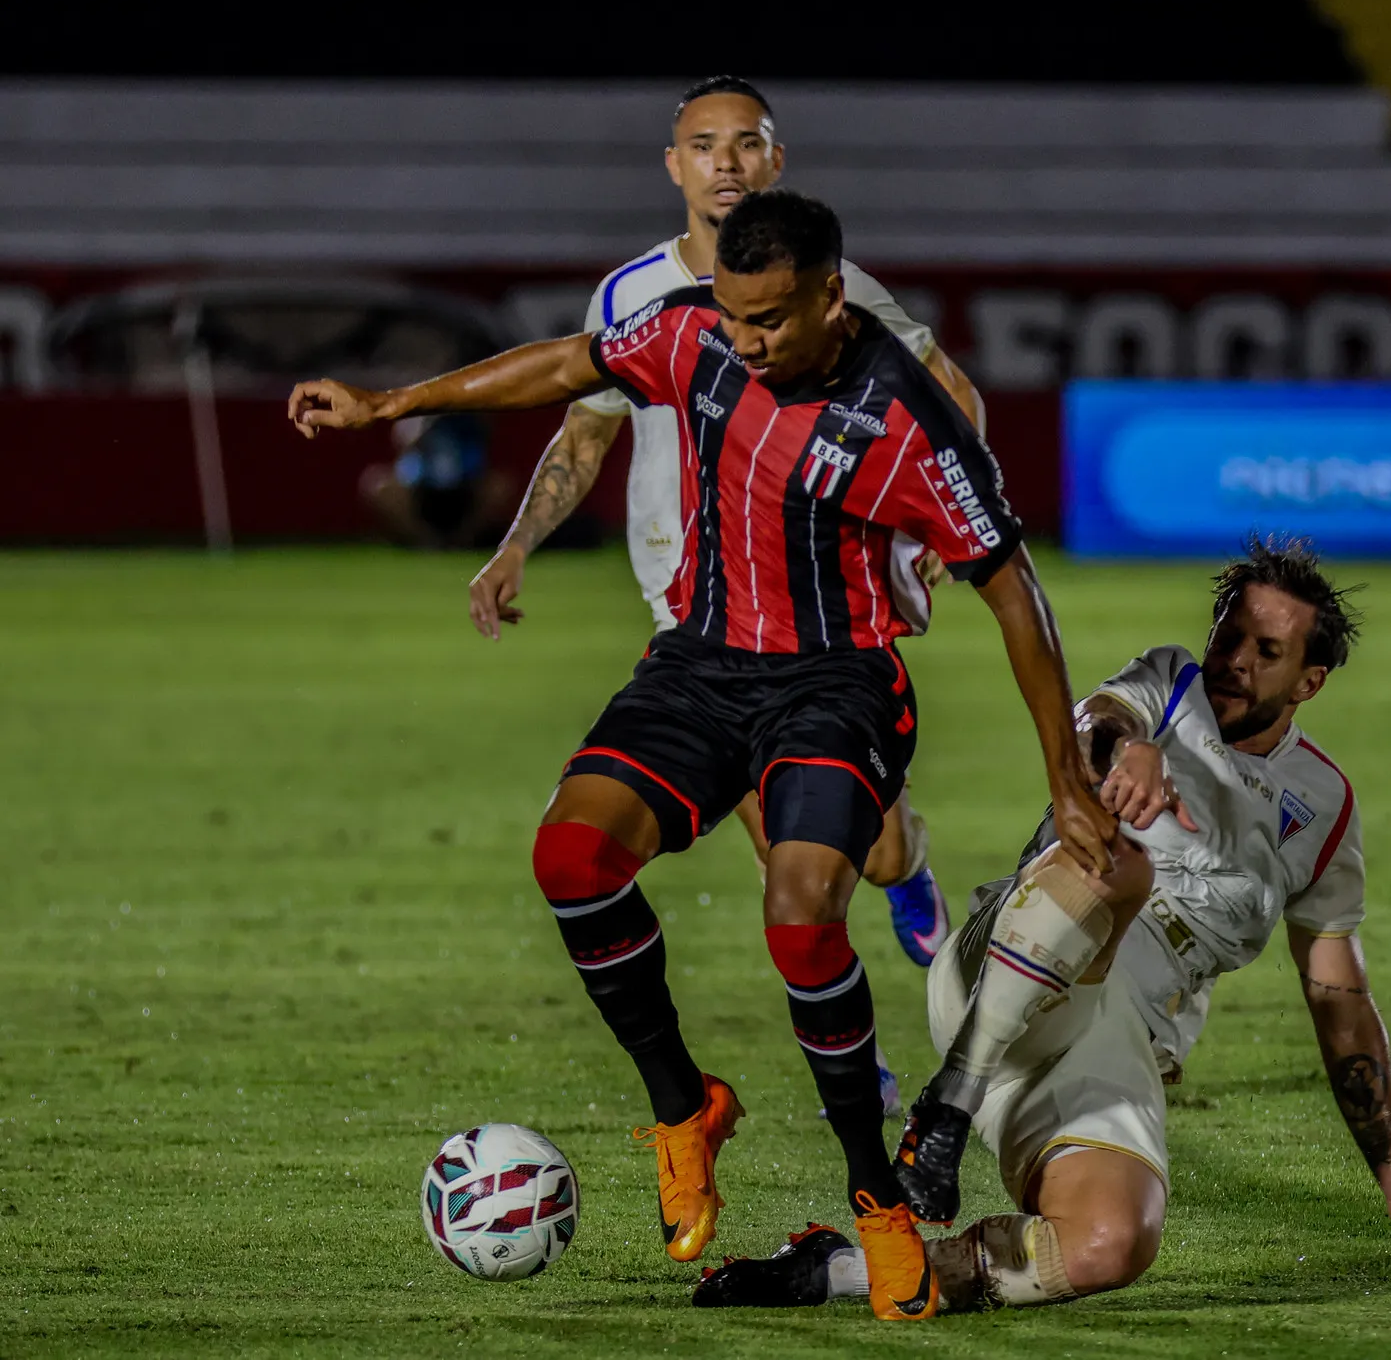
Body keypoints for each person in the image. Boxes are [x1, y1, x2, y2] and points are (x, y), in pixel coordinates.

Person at [287, 189, 1118, 1323]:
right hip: (699, 664)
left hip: (836, 686)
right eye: (732, 314)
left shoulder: (907, 419)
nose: (745, 339)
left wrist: (1064, 780)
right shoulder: (694, 334)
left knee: (800, 904)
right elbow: (568, 367)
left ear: (833, 294)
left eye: (770, 319)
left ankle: (876, 1201)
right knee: (570, 859)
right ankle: (686, 1106)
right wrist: (390, 401)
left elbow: (1013, 593)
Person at [696, 538, 1391, 1313]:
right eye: (1230, 634)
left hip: (1115, 1048)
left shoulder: (1323, 807)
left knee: (1111, 1241)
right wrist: (1130, 749)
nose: (1236, 660)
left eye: (1267, 649)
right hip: (1008, 970)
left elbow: (1338, 996)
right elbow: (1092, 719)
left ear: (1309, 680)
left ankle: (839, 1269)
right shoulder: (1169, 685)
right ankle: (949, 1103)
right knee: (1119, 861)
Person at [467, 74, 977, 969]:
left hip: (814, 605)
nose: (726, 164)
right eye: (704, 147)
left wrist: (926, 526)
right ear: (674, 167)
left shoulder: (836, 287)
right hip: (694, 614)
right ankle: (866, 1063)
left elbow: (954, 397)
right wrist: (515, 545)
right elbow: (583, 436)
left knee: (873, 851)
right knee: (782, 862)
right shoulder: (630, 295)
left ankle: (910, 868)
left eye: (746, 143)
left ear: (776, 158)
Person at [359, 412, 512, 549]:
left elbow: (486, 433)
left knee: (500, 486)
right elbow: (403, 442)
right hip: (421, 488)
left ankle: (461, 542)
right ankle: (425, 542)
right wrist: (429, 420)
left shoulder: (470, 415)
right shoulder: (418, 407)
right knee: (379, 485)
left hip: (464, 488)